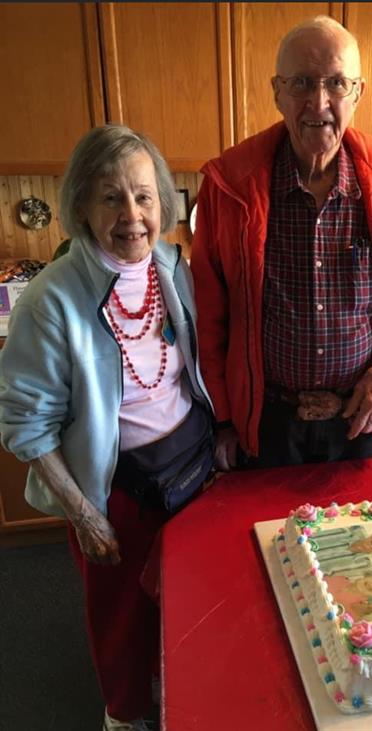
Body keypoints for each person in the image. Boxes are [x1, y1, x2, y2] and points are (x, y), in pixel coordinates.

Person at [0, 125, 214, 731]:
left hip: (191, 472)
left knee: (187, 604)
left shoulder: (172, 267)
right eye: (110, 197)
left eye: (144, 197)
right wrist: (83, 513)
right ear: (81, 207)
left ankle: (178, 694)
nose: (132, 216)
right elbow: (24, 426)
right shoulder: (49, 300)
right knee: (121, 619)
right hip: (114, 490)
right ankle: (124, 715)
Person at [191, 15, 372, 470]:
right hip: (265, 422)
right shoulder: (229, 187)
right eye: (301, 82)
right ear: (277, 92)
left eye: (336, 83)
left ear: (358, 92)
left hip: (361, 416)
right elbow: (209, 315)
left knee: (361, 538)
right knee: (265, 538)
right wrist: (223, 419)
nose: (318, 102)